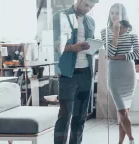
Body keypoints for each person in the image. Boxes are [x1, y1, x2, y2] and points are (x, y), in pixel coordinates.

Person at [52, 0, 98, 144]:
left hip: (86, 73)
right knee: (65, 116)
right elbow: (56, 46)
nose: (88, 9)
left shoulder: (90, 21)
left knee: (80, 117)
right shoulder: (60, 16)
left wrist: (93, 46)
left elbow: (91, 46)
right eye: (86, 5)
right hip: (68, 74)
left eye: (91, 7)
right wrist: (73, 47)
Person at [101, 3, 139, 144]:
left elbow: (136, 54)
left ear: (123, 14)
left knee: (123, 112)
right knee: (122, 111)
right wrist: (116, 33)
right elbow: (110, 52)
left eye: (117, 13)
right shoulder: (105, 31)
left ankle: (120, 143)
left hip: (128, 73)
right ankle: (132, 139)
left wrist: (119, 57)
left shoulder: (132, 31)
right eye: (112, 13)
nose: (114, 16)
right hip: (114, 74)